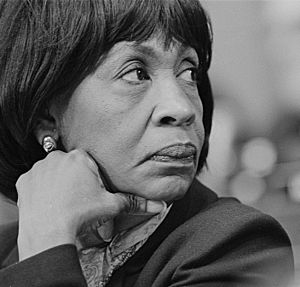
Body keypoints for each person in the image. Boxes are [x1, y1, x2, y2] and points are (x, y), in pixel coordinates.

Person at [0, 0, 294, 286]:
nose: (182, 108)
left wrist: (46, 247)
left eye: (189, 72)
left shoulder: (233, 245)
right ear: (45, 118)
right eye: (136, 73)